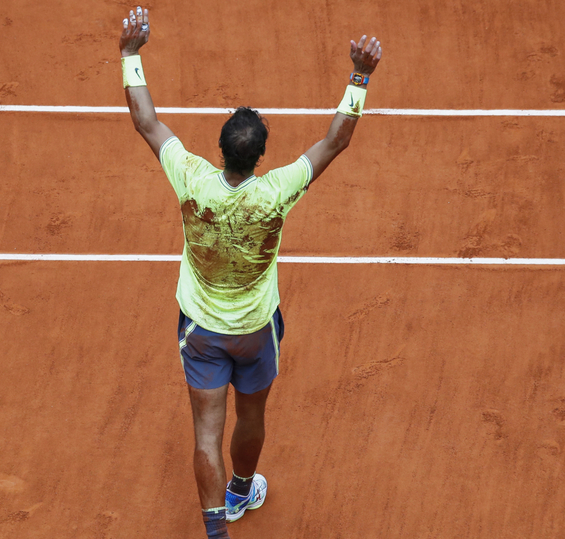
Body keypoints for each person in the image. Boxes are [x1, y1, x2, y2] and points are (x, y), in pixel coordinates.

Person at [118, 6, 383, 539]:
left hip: (200, 328)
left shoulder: (191, 176)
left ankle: (218, 532)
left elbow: (147, 121)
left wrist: (129, 54)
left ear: (220, 150)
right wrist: (360, 77)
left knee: (205, 434)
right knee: (252, 417)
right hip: (256, 329)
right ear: (261, 157)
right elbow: (335, 141)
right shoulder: (276, 192)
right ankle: (241, 492)